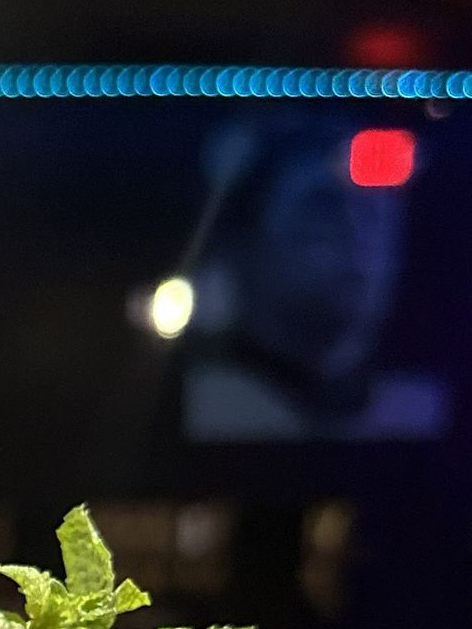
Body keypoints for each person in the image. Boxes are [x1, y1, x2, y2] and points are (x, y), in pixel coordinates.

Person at [181, 124, 445, 443]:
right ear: (240, 245)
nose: (355, 237)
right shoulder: (201, 406)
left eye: (373, 212)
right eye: (323, 208)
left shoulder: (426, 410)